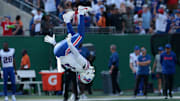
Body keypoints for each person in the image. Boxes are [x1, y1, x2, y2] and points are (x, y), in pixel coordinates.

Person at [44, 6, 95, 101]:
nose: (92, 71)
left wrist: (70, 44)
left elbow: (76, 54)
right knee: (74, 36)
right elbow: (61, 66)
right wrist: (55, 44)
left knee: (81, 35)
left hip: (63, 50)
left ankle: (81, 12)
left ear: (86, 73)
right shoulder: (75, 68)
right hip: (58, 52)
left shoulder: (84, 66)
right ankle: (67, 20)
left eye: (90, 73)